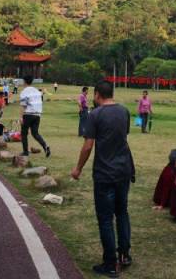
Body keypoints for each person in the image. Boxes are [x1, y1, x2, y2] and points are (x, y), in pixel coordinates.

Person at [71, 80, 134, 277]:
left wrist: (78, 168)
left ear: (97, 94)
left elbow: (88, 145)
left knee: (106, 219)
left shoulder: (95, 114)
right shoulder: (124, 111)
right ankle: (124, 254)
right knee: (122, 212)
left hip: (105, 173)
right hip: (124, 170)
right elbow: (124, 138)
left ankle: (110, 263)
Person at [19, 75, 50, 157]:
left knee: (24, 133)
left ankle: (25, 152)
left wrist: (21, 117)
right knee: (35, 133)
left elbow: (23, 105)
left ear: (24, 81)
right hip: (37, 115)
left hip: (28, 114)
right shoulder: (36, 91)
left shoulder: (24, 91)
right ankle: (45, 146)